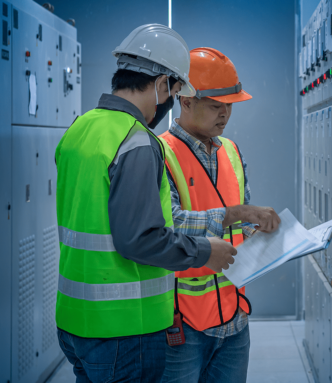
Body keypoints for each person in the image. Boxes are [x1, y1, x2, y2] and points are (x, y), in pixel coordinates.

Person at [54, 25, 238, 383]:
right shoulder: (135, 140)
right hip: (124, 329)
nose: (170, 100)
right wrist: (205, 252)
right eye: (174, 89)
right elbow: (139, 239)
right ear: (162, 85)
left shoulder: (79, 129)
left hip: (75, 321)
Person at [159, 47, 281, 383]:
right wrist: (237, 213)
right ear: (185, 101)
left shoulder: (231, 152)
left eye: (230, 105)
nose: (225, 114)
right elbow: (169, 225)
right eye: (216, 105)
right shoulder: (161, 153)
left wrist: (262, 232)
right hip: (182, 325)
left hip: (234, 318)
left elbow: (241, 225)